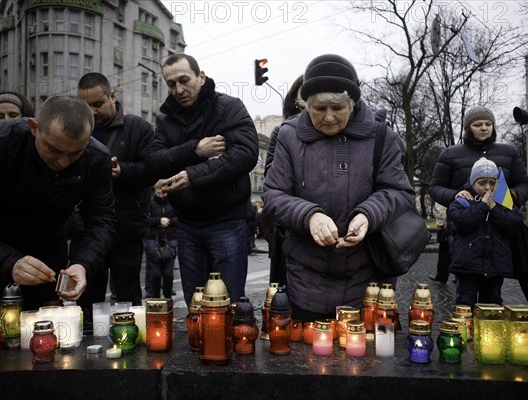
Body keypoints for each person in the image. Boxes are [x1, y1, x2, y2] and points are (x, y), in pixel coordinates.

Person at [262, 54, 415, 323]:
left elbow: (398, 191)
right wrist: (309, 216)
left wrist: (368, 215)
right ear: (305, 104)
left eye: (338, 108)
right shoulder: (288, 135)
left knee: (366, 359)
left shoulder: (381, 135)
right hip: (305, 280)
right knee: (307, 357)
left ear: (353, 104)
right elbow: (274, 194)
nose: (329, 118)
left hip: (368, 278)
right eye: (319, 109)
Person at [0, 96, 115, 314]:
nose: (64, 162)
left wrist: (83, 263)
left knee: (45, 327)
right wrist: (8, 262)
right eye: (54, 150)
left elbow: (102, 220)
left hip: (48, 248)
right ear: (34, 128)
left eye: (76, 153)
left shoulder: (97, 157)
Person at [146, 54, 259, 306]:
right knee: (195, 303)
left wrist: (192, 176)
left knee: (228, 303)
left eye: (184, 80)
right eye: (171, 84)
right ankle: (197, 345)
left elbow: (245, 154)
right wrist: (194, 150)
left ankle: (228, 344)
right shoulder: (165, 119)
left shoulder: (229, 107)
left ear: (201, 77)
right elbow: (154, 162)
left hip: (227, 222)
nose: (179, 89)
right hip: (187, 225)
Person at [428, 105, 528, 288]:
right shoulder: (451, 154)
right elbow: (435, 187)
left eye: (488, 124)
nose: (484, 128)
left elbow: (525, 184)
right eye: (477, 124)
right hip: (466, 232)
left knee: (493, 296)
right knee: (465, 295)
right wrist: (455, 195)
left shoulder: (509, 152)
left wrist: (514, 195)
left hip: (499, 232)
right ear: (468, 128)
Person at [77, 72, 155, 307]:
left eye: (98, 104)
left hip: (126, 230)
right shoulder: (79, 129)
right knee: (88, 296)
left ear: (113, 96)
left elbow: (152, 171)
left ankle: (130, 340)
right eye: (86, 106)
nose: (92, 112)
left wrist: (123, 171)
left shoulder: (138, 127)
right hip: (87, 230)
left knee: (128, 296)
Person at [447, 158, 524, 307]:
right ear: (473, 183)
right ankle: (466, 331)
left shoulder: (503, 202)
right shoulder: (462, 202)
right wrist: (482, 206)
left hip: (495, 265)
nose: (488, 188)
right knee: (465, 303)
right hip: (468, 265)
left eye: (492, 183)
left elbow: (514, 224)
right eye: (482, 183)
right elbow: (461, 223)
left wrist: (494, 208)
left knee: (492, 306)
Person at [260, 75, 305, 285]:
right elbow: (272, 183)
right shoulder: (282, 132)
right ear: (295, 98)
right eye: (305, 92)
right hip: (291, 229)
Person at [143, 181, 178, 299]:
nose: (161, 195)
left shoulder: (173, 203)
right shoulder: (150, 203)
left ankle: (167, 295)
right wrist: (159, 221)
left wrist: (170, 221)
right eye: (159, 192)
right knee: (155, 272)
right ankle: (155, 295)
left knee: (168, 272)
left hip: (170, 236)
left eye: (164, 193)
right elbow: (145, 220)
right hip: (153, 237)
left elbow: (180, 218)